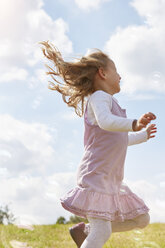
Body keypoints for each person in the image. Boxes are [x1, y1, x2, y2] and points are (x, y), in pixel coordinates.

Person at [39, 41, 157, 248]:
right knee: (102, 232)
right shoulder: (99, 98)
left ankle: (84, 231)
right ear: (102, 73)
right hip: (96, 176)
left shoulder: (110, 103)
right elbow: (106, 122)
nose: (120, 76)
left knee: (142, 219)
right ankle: (89, 232)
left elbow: (118, 140)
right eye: (117, 71)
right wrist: (134, 124)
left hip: (110, 180)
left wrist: (143, 135)